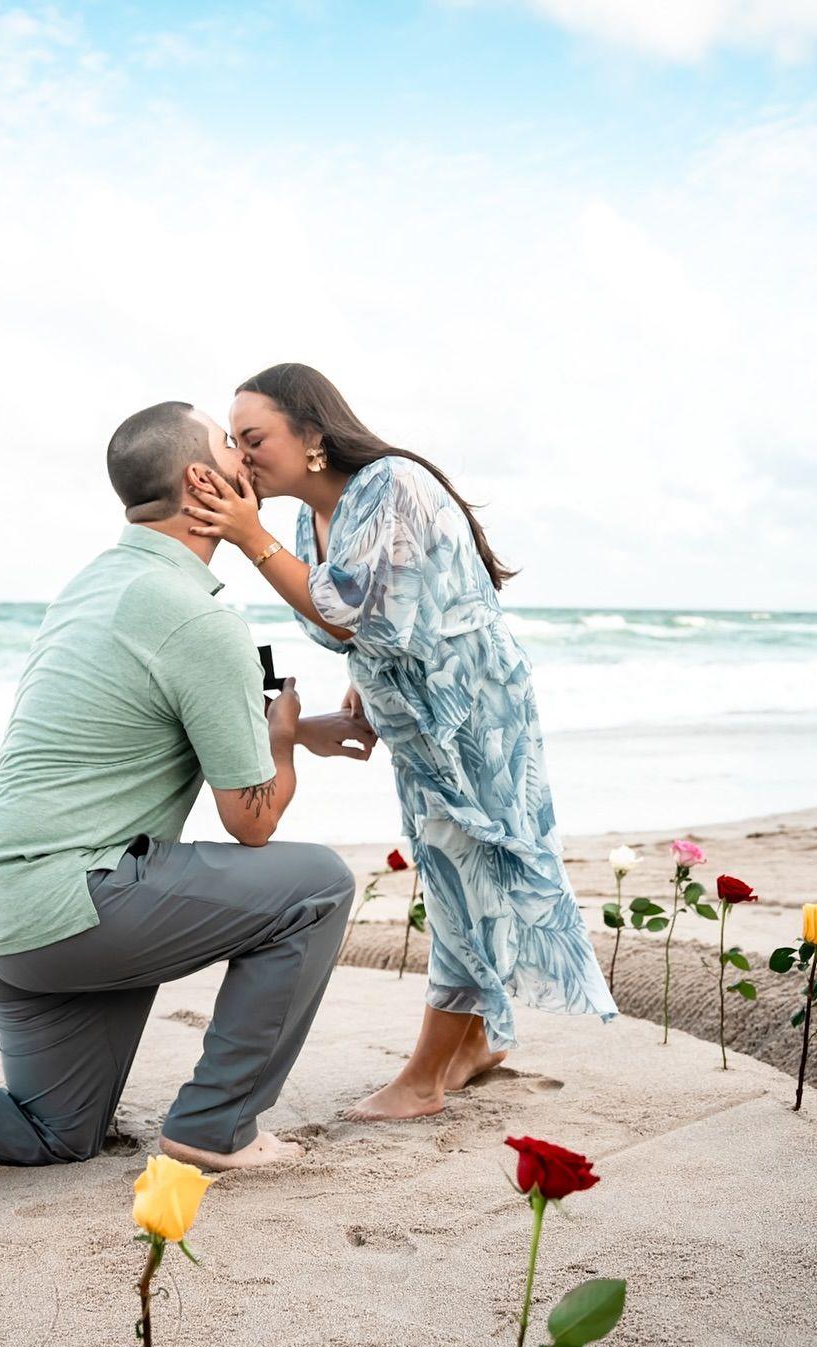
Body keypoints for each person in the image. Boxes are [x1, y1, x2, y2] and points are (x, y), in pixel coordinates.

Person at [0, 401, 374, 1199]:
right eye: (230, 443)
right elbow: (252, 821)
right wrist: (278, 739)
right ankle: (216, 1128)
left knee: (57, 1129)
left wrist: (294, 733)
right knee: (318, 885)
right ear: (202, 478)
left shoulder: (94, 585)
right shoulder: (197, 615)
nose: (246, 456)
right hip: (71, 906)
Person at [181, 363, 616, 1122]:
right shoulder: (302, 522)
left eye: (254, 439)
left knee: (461, 873)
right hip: (417, 713)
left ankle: (422, 1079)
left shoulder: (388, 482)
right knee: (457, 866)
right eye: (236, 442)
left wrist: (249, 540)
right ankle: (477, 1044)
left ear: (312, 435)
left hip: (469, 709)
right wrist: (367, 676)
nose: (241, 458)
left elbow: (351, 610)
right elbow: (354, 624)